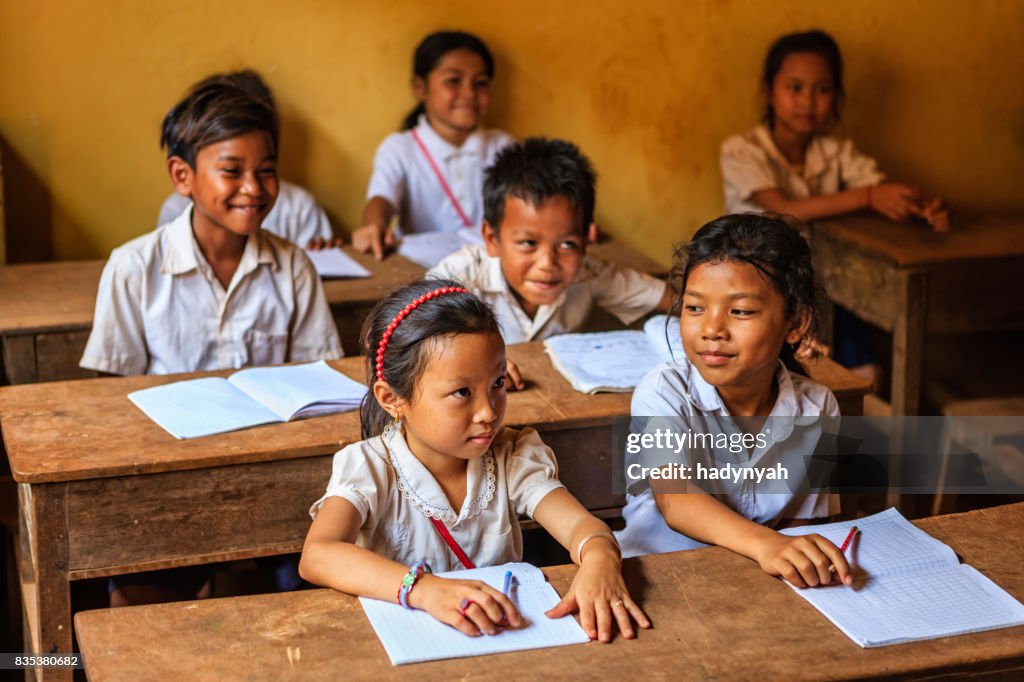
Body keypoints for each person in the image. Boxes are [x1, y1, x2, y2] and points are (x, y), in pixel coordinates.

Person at [301, 279, 651, 641]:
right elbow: (318, 554)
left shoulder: (512, 455)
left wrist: (600, 559)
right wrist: (425, 590)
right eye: (462, 392)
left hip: (498, 639)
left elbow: (583, 529)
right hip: (403, 645)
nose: (487, 412)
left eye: (498, 383)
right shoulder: (370, 467)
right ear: (392, 399)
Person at [616, 214, 852, 589]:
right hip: (657, 579)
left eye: (740, 311)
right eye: (694, 308)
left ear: (795, 323)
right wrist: (767, 545)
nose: (711, 330)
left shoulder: (818, 408)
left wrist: (793, 559)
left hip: (755, 582)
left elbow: (804, 525)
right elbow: (676, 500)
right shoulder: (664, 392)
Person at [354, 31, 515, 259]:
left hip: (489, 267)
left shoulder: (504, 147)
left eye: (480, 83)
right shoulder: (400, 148)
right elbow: (382, 198)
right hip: (423, 276)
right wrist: (375, 224)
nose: (469, 93)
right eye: (454, 81)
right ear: (421, 88)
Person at [156, 70, 336, 248]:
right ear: (181, 175)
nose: (254, 189)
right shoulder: (137, 265)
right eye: (232, 170)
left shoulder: (299, 210)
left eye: (266, 169)